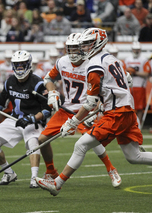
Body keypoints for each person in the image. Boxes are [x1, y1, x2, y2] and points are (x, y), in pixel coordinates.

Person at [35, 27, 152, 196]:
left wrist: (73, 122)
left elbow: (90, 102)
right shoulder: (112, 59)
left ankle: (57, 183)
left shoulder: (94, 64)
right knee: (133, 157)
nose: (84, 48)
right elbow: (128, 81)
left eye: (88, 43)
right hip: (125, 109)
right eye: (83, 44)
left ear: (98, 42)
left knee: (81, 145)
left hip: (116, 112)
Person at [38, 33, 121, 188]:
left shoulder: (93, 64)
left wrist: (95, 109)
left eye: (75, 49)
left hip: (85, 110)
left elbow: (100, 90)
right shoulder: (62, 62)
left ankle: (111, 169)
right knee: (42, 140)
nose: (72, 52)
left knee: (92, 141)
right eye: (69, 49)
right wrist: (52, 92)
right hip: (66, 109)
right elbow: (48, 79)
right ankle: (51, 171)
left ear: (83, 48)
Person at [0, 50, 51, 188]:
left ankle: (34, 178)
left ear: (28, 65)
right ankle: (9, 173)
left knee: (33, 143)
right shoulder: (10, 81)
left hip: (33, 121)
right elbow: (0, 103)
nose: (19, 68)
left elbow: (47, 110)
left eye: (22, 65)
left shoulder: (38, 83)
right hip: (14, 118)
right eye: (17, 65)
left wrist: (32, 118)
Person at [124, 42, 151, 127]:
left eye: (137, 49)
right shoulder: (127, 59)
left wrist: (135, 72)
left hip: (140, 86)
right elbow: (123, 72)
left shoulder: (143, 60)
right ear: (132, 49)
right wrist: (129, 72)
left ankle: (137, 126)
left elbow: (146, 73)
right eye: (135, 49)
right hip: (129, 86)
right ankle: (129, 125)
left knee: (139, 107)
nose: (136, 51)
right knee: (129, 106)